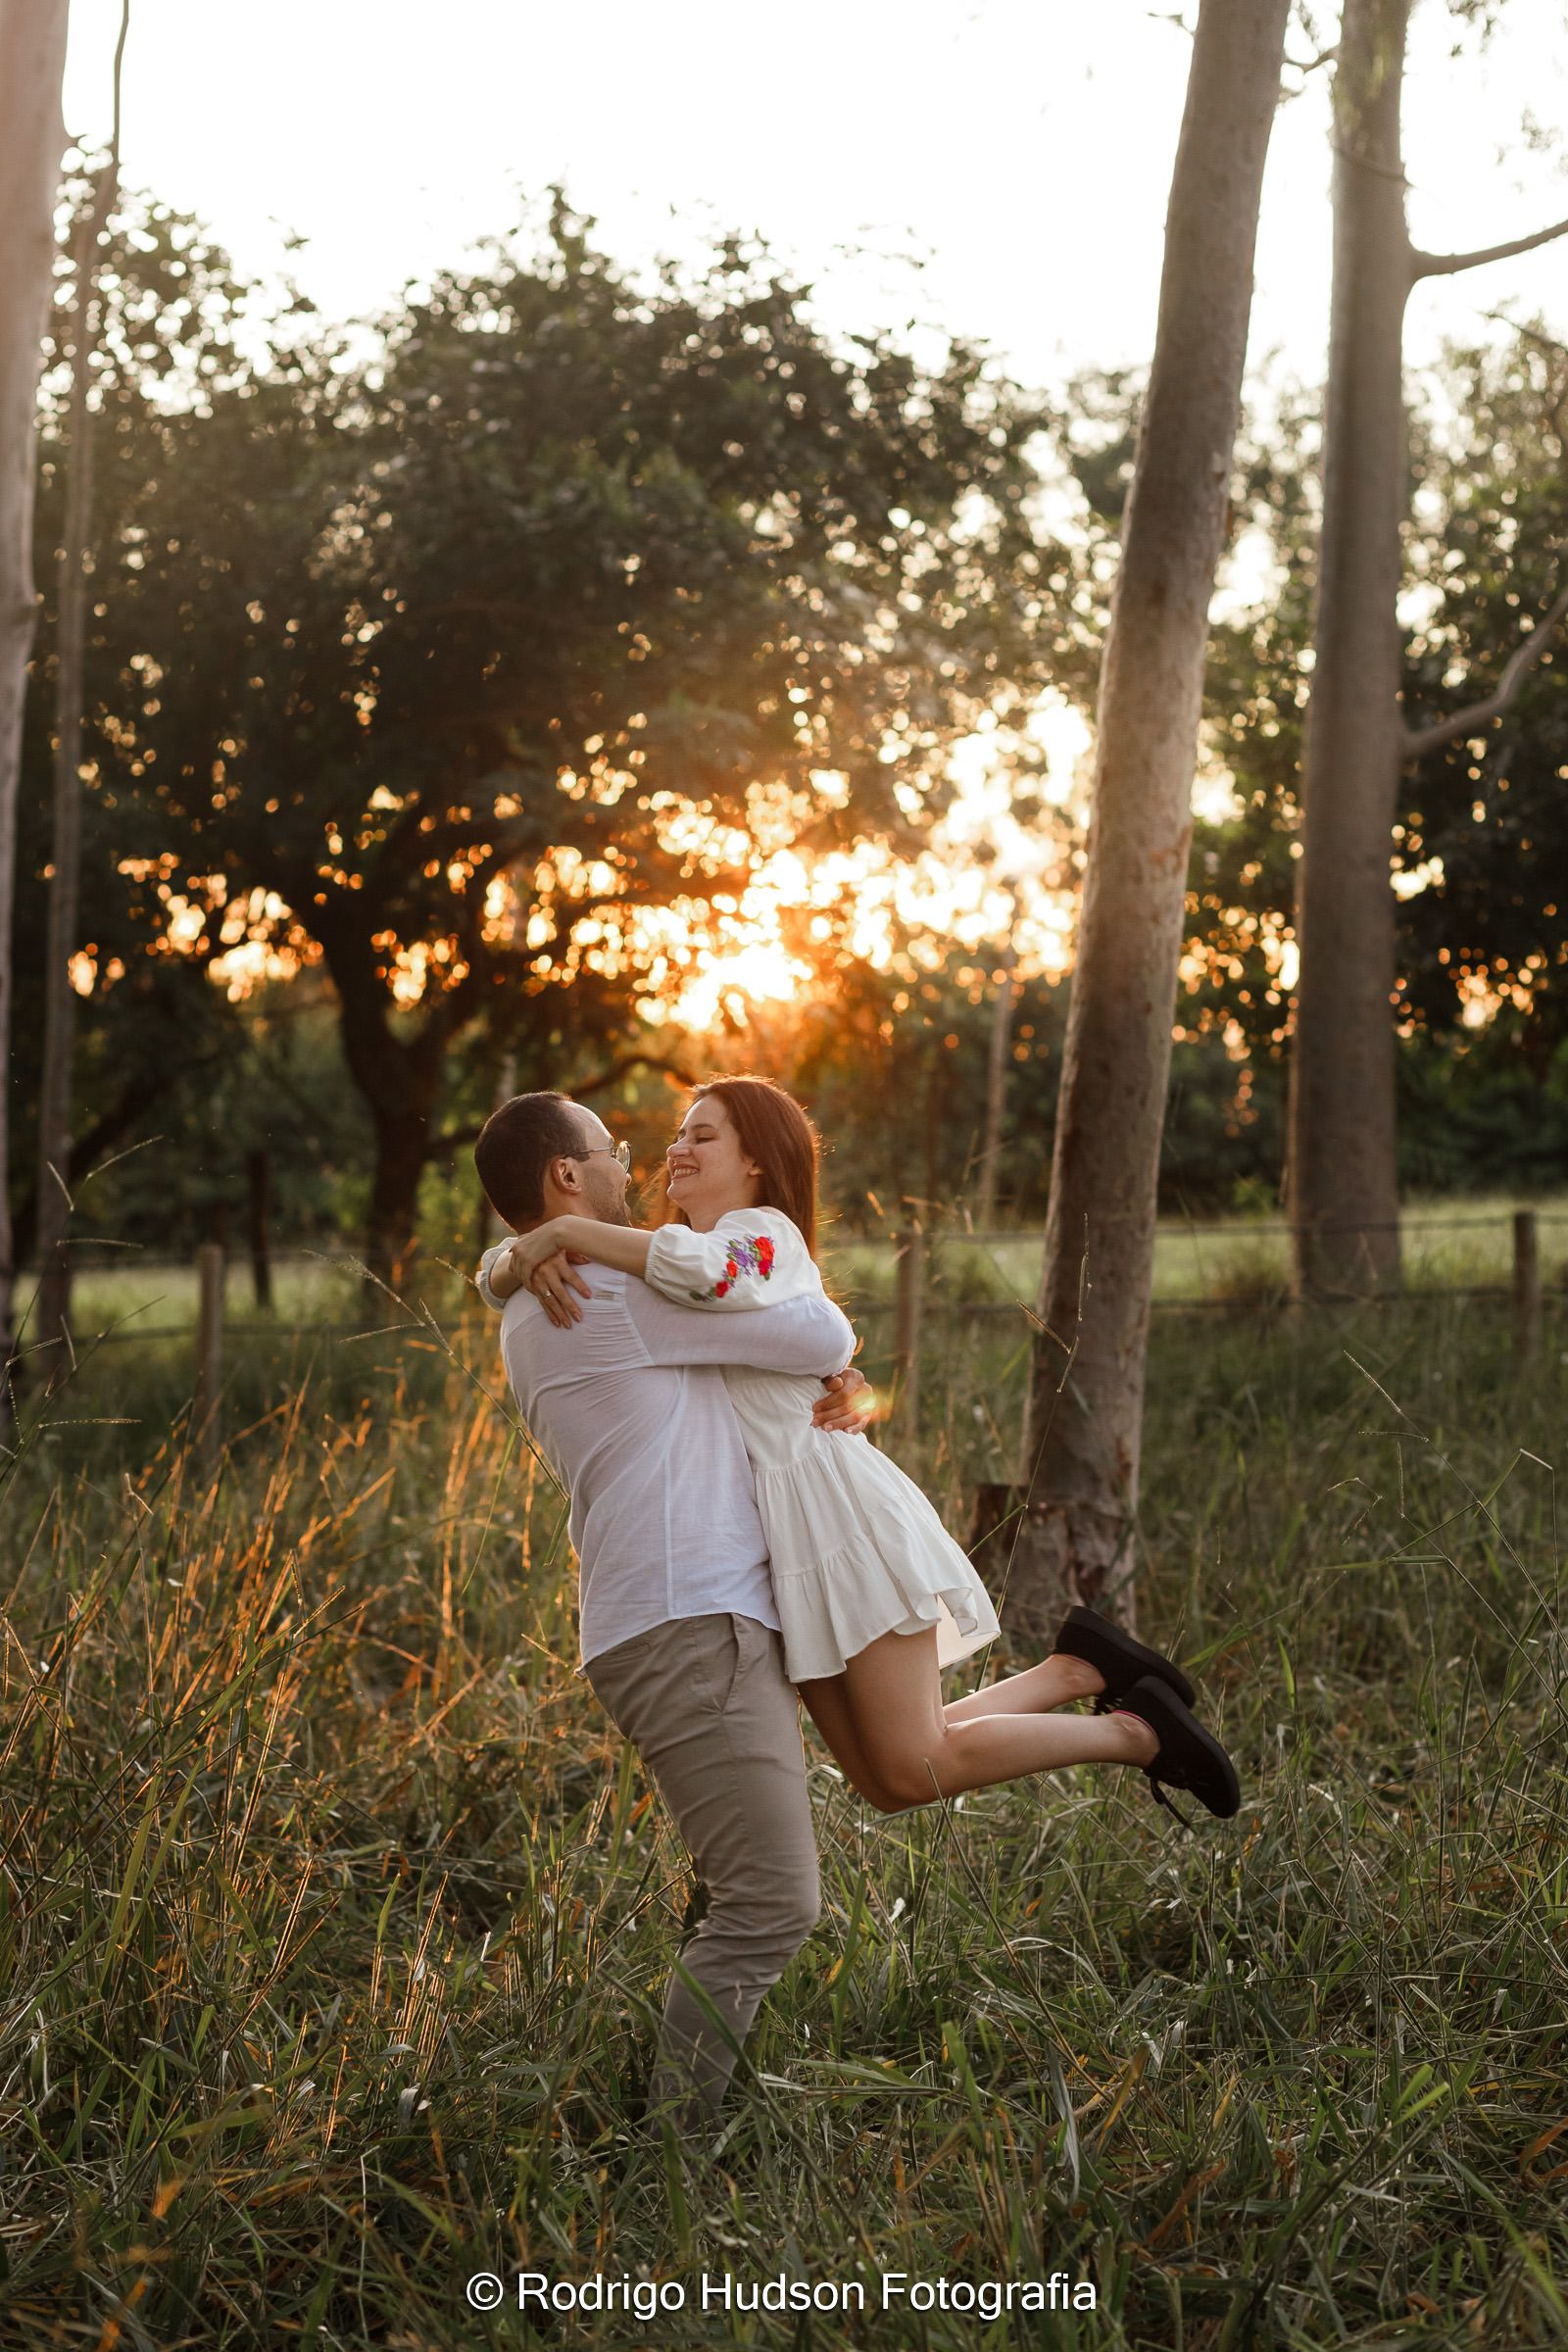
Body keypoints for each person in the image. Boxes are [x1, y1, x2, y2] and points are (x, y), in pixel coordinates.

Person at [479, 1076, 1241, 1830]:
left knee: (917, 1760)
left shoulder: (757, 1235)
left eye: (703, 1135)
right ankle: (1079, 1668)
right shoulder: (662, 1263)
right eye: (677, 1134)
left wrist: (562, 1234)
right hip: (786, 1536)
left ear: (757, 1162)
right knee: (890, 1776)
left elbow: (744, 1296)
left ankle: (1136, 1733)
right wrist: (513, 1258)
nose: (673, 1149)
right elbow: (775, 1332)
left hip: (833, 1511)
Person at [472, 1088, 865, 2130]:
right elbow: (820, 1329)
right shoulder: (607, 1290)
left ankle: (680, 2134)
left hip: (671, 1618)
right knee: (771, 1905)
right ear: (566, 1176)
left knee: (743, 1890)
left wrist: (522, 1249)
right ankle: (672, 2169)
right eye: (612, 1150)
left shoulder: (543, 1289)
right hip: (690, 1623)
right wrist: (545, 1247)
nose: (632, 1164)